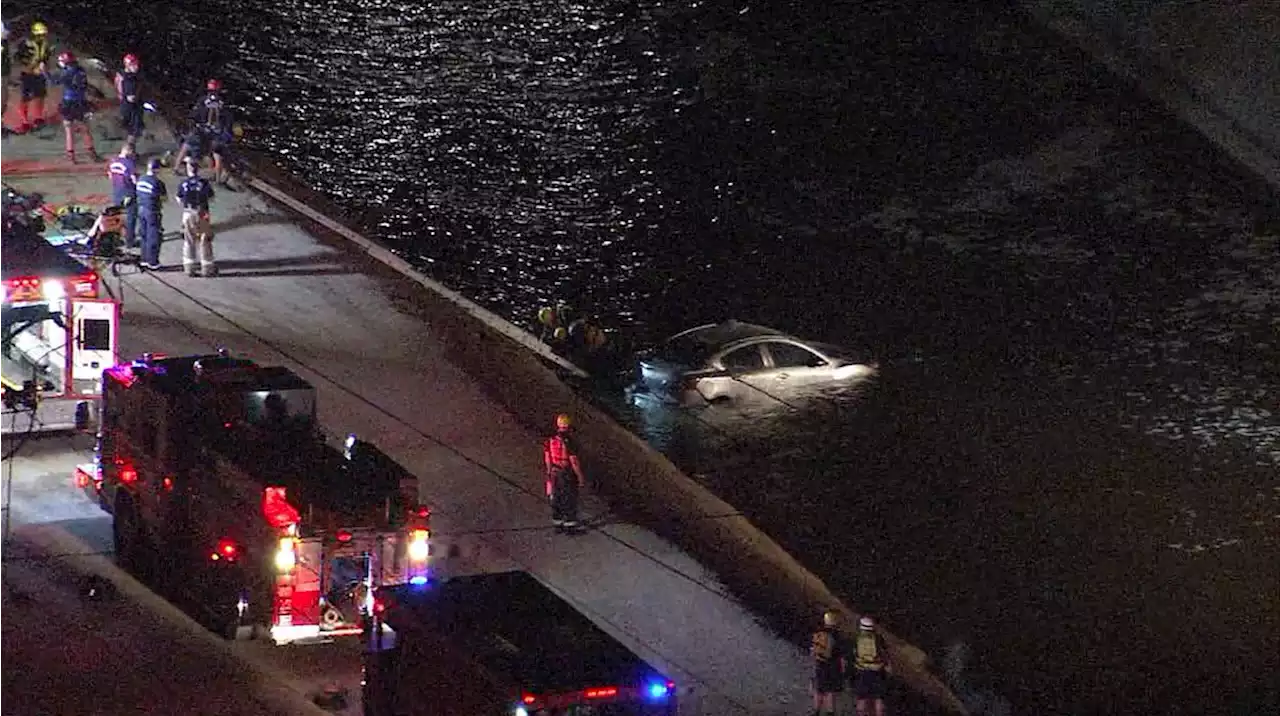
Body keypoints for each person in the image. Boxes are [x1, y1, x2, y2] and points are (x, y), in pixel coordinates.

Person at [172, 79, 234, 184]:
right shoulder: (223, 103)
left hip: (201, 129)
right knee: (217, 154)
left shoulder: (202, 100)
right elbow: (228, 119)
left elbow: (194, 114)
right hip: (216, 132)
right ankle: (218, 179)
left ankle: (176, 168)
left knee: (186, 145)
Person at [50, 51, 99, 163]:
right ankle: (91, 152)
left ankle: (71, 155)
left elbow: (54, 81)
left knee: (69, 129)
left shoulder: (66, 73)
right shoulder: (80, 71)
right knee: (85, 128)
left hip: (69, 102)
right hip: (80, 102)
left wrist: (44, 72)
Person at [543, 413, 586, 532]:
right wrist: (580, 476)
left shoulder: (551, 440)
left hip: (554, 471)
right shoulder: (569, 441)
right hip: (566, 473)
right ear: (568, 426)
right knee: (569, 497)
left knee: (556, 497)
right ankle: (570, 524)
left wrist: (549, 472)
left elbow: (547, 458)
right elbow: (573, 461)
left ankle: (557, 522)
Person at [175, 158, 216, 277]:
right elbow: (211, 198)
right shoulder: (204, 183)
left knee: (189, 239)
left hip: (188, 213)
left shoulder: (183, 183)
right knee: (205, 239)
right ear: (198, 169)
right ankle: (207, 268)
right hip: (203, 213)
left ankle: (189, 268)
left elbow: (178, 199)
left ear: (188, 170)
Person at [14, 21, 51, 133]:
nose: (42, 36)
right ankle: (25, 121)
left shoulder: (45, 44)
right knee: (26, 98)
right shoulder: (25, 44)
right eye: (40, 35)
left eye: (43, 34)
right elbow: (17, 57)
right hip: (28, 74)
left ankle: (38, 118)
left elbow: (46, 56)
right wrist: (29, 66)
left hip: (40, 73)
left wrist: (43, 65)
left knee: (40, 96)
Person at [852, 616, 891, 716]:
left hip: (862, 671)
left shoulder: (856, 638)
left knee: (862, 698)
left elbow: (853, 654)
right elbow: (885, 654)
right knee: (878, 698)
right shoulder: (878, 638)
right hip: (878, 672)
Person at [811, 610, 847, 716]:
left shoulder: (818, 632)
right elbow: (841, 656)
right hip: (832, 666)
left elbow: (813, 650)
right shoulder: (837, 636)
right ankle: (829, 712)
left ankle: (816, 711)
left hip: (820, 664)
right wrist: (843, 672)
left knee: (819, 689)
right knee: (830, 691)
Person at [135, 158, 168, 270]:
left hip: (141, 209)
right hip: (153, 211)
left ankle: (144, 259)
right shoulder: (158, 183)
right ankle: (153, 262)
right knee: (154, 236)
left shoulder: (141, 179)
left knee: (144, 235)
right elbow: (164, 198)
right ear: (157, 169)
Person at [107, 144, 138, 248]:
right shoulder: (129, 163)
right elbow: (134, 179)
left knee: (116, 216)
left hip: (117, 191)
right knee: (131, 216)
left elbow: (110, 176)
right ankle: (129, 241)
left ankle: (115, 238)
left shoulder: (112, 161)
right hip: (128, 192)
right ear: (129, 151)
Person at [115, 53, 144, 145]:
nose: (136, 67)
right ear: (127, 65)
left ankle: (130, 150)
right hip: (131, 107)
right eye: (134, 65)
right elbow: (131, 98)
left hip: (124, 105)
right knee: (134, 130)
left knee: (132, 130)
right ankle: (128, 151)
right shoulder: (129, 79)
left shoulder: (122, 75)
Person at [0, 23, 12, 134]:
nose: (8, 33)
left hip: (4, 74)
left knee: (4, 100)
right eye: (6, 31)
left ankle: (1, 124)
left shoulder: (4, 42)